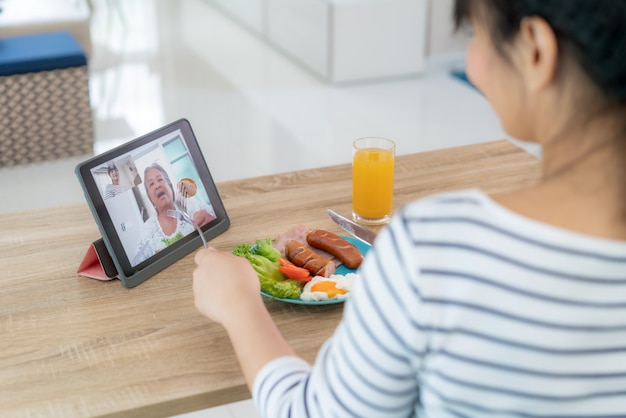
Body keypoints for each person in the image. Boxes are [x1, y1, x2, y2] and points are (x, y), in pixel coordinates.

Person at [192, 1, 626, 416]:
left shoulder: (434, 247)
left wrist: (239, 305)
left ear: (534, 49)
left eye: (476, 33)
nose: (473, 60)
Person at [132, 163, 216, 265]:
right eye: (151, 184)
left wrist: (212, 220)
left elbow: (218, 216)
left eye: (160, 179)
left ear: (170, 185)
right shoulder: (146, 231)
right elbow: (136, 265)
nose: (157, 185)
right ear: (150, 197)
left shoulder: (190, 204)